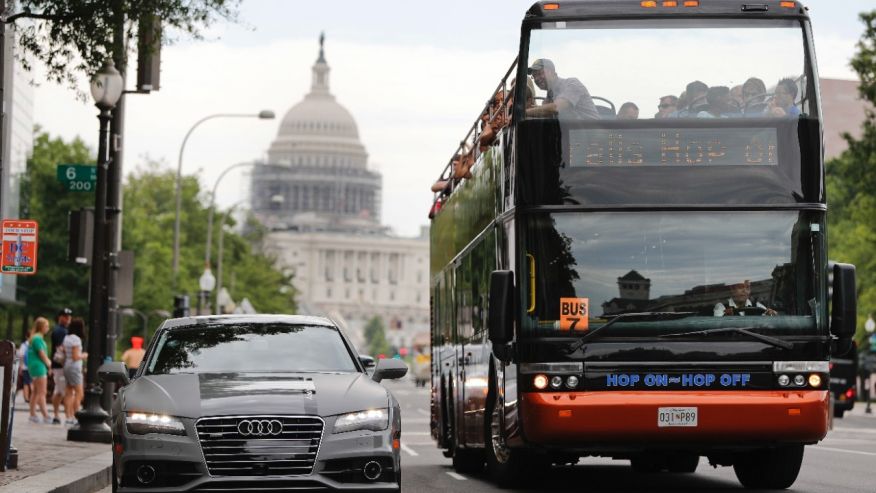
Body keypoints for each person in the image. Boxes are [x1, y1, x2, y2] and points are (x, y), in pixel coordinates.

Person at [525, 58, 599, 120]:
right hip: (571, 134)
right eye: (534, 76)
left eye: (540, 73)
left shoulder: (572, 84)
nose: (536, 79)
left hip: (592, 132)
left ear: (551, 72)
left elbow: (556, 108)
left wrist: (524, 113)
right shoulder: (548, 99)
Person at [27, 317, 52, 424]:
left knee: (36, 392)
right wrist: (49, 363)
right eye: (46, 326)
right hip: (39, 367)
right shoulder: (38, 338)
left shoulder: (34, 338)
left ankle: (32, 414)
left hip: (33, 366)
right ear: (41, 327)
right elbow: (41, 353)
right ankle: (45, 415)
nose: (48, 328)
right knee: (42, 392)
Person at [62, 318, 88, 426]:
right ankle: (76, 416)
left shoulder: (66, 338)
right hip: (74, 367)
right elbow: (76, 356)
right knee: (79, 393)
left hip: (67, 366)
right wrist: (85, 355)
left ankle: (68, 417)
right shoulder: (76, 339)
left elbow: (66, 353)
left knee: (68, 392)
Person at [49, 307, 72, 424]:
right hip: (61, 365)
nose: (68, 319)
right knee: (66, 391)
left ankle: (57, 415)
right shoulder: (60, 331)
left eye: (69, 316)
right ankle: (68, 417)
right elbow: (60, 349)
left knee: (59, 391)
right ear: (60, 317)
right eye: (65, 316)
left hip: (58, 365)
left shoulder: (62, 330)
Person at [17, 331, 33, 403]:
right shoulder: (33, 344)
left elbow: (21, 356)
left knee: (26, 382)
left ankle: (26, 398)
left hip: (25, 367)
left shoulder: (24, 345)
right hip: (33, 366)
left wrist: (20, 366)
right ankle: (33, 397)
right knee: (32, 382)